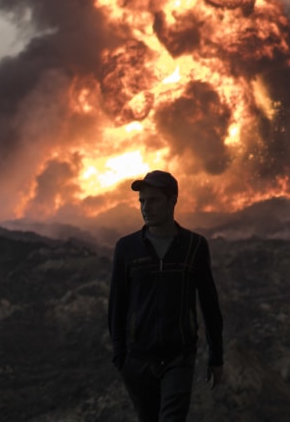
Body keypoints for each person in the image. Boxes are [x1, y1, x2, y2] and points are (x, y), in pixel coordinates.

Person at [108, 170, 224, 422]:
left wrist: (216, 356)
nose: (145, 207)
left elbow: (209, 303)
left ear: (173, 201)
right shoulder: (127, 248)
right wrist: (121, 356)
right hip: (138, 359)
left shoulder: (194, 246)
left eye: (153, 200)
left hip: (178, 356)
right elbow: (117, 304)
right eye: (141, 201)